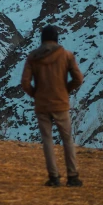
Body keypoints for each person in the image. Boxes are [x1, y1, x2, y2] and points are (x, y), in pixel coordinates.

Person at [21, 25, 84, 187]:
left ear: (42, 39)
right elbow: (78, 79)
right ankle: (72, 176)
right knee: (67, 139)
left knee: (47, 140)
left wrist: (36, 94)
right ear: (56, 38)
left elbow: (25, 83)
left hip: (42, 105)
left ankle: (54, 177)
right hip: (61, 104)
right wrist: (64, 91)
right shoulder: (67, 55)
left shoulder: (33, 57)